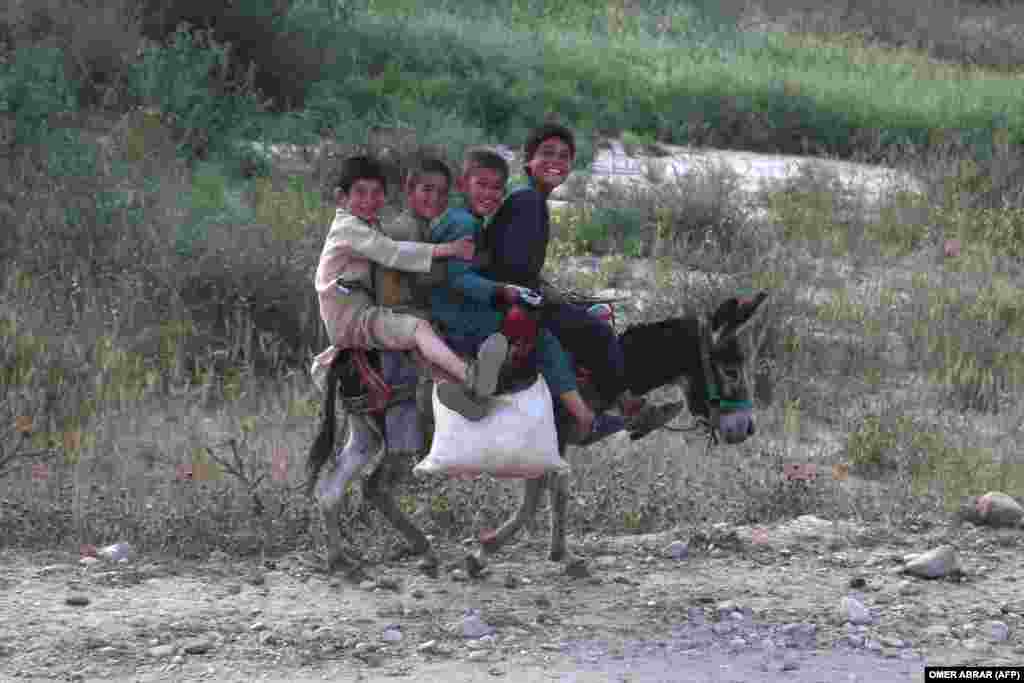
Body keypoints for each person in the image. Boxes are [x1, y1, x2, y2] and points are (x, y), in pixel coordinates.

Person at [482, 123, 685, 437]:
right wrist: (548, 295)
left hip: (517, 294)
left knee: (586, 314)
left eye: (563, 156)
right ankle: (626, 408)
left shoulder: (529, 199)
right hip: (509, 300)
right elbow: (513, 269)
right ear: (527, 160)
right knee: (599, 331)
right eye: (547, 153)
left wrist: (554, 291)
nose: (556, 161)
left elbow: (519, 266)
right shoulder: (528, 201)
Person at [429, 147, 625, 445]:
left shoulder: (464, 218)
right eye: (481, 184)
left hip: (454, 307)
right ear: (462, 184)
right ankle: (584, 418)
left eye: (496, 188)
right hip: (458, 314)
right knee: (542, 339)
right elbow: (457, 278)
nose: (489, 194)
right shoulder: (464, 224)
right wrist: (502, 291)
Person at [311, 155, 507, 421]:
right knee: (424, 330)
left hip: (362, 313)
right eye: (427, 190)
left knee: (428, 346)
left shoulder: (375, 225)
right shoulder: (395, 229)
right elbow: (395, 261)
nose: (435, 199)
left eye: (441, 193)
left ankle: (459, 394)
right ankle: (470, 377)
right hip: (362, 317)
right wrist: (453, 256)